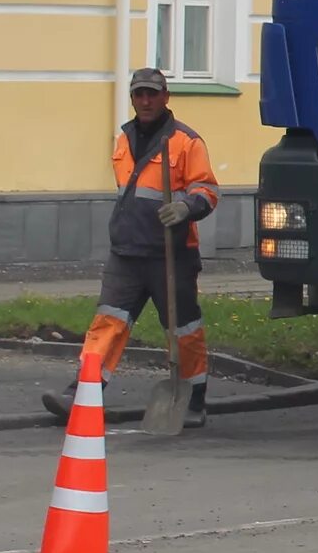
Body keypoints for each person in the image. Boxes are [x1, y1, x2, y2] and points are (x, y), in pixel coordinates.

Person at [75, 67, 223, 427]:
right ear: (132, 97)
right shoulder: (124, 139)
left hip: (170, 254)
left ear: (165, 96)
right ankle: (83, 393)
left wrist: (186, 206)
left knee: (183, 329)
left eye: (152, 94)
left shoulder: (186, 142)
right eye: (139, 94)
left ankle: (193, 398)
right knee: (106, 323)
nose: (145, 101)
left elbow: (207, 189)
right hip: (127, 251)